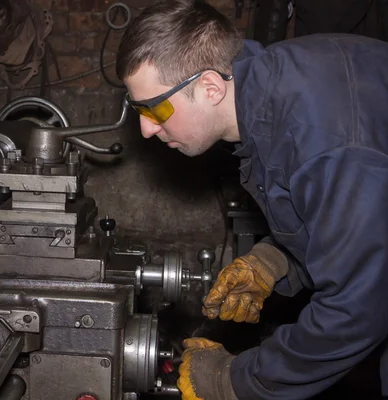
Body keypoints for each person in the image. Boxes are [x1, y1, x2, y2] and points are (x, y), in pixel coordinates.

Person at [116, 0, 388, 399]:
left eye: (155, 108)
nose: (145, 129)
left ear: (209, 87)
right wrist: (275, 261)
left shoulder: (322, 142)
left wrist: (232, 381)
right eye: (136, 108)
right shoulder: (268, 96)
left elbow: (360, 308)